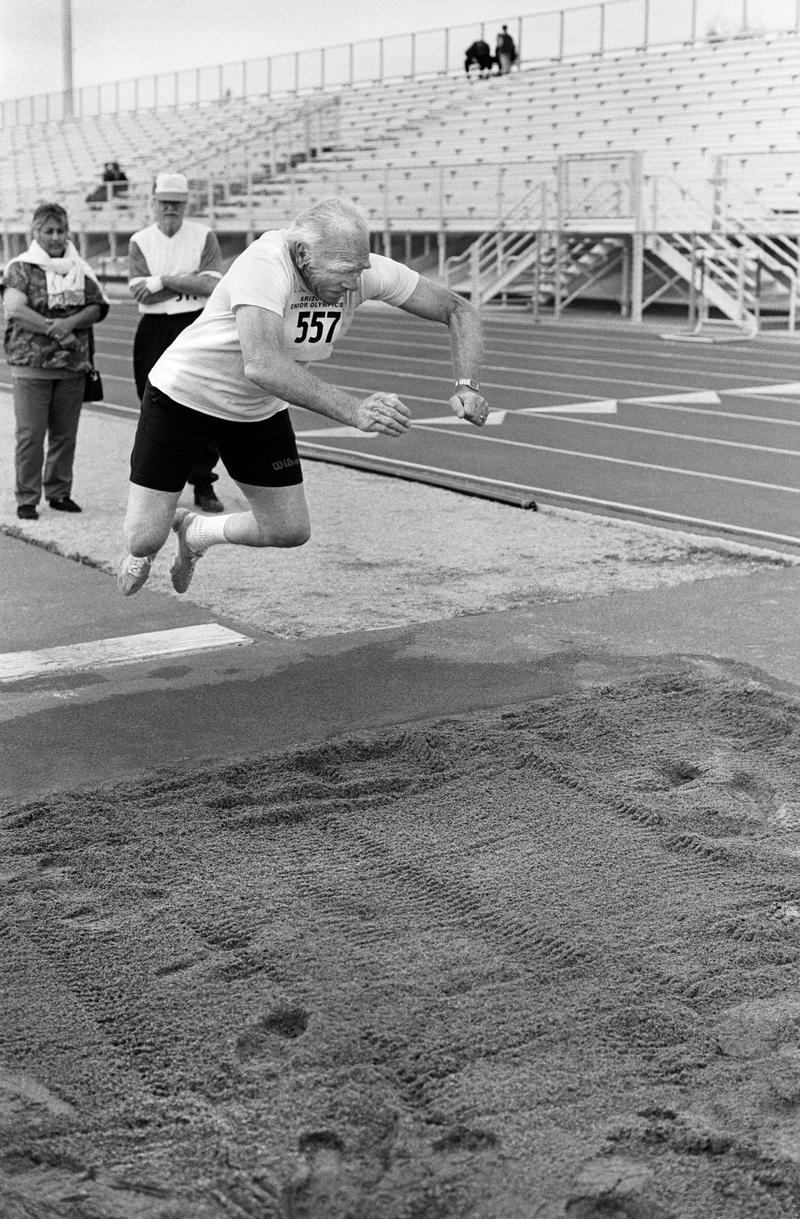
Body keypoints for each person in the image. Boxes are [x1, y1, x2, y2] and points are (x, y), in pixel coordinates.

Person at [117, 196, 489, 597]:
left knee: (288, 530)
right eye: (343, 272)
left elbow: (458, 310)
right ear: (301, 254)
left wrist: (466, 384)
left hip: (255, 408)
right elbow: (261, 364)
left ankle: (196, 532)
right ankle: (147, 545)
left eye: (360, 270)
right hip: (184, 397)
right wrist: (354, 409)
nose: (352, 284)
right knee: (144, 539)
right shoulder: (263, 265)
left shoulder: (360, 270)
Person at [2, 202, 109, 520]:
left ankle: (59, 492)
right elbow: (15, 308)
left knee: (65, 435)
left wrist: (69, 324)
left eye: (60, 230)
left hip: (71, 366)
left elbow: (97, 305)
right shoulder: (20, 268)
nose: (55, 237)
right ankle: (27, 497)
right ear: (35, 233)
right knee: (30, 435)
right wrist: (55, 328)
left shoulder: (80, 267)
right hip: (31, 366)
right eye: (48, 231)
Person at [128, 171, 226, 513]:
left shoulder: (203, 236)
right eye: (164, 201)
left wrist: (163, 280)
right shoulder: (140, 240)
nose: (170, 208)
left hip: (196, 324)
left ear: (186, 204)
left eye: (177, 202)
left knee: (204, 403)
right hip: (154, 328)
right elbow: (142, 293)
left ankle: (203, 483)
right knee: (153, 404)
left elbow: (213, 285)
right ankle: (156, 485)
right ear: (154, 203)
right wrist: (190, 280)